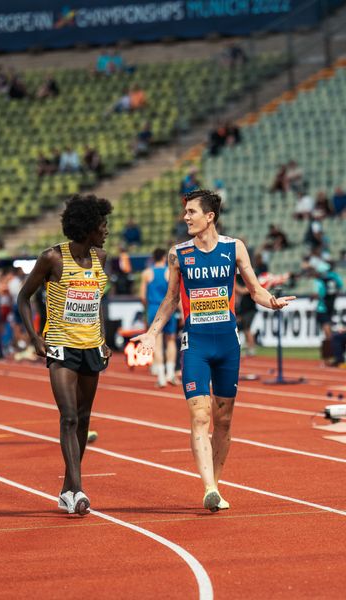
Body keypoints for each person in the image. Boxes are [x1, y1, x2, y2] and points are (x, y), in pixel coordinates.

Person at [132, 189, 295, 512]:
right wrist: (152, 333)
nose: (185, 217)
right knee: (200, 416)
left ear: (210, 217)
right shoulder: (178, 254)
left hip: (227, 344)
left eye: (192, 212)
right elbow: (170, 300)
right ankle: (208, 487)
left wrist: (271, 301)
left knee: (224, 419)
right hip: (196, 345)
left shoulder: (234, 249)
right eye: (185, 212)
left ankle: (216, 486)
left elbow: (254, 289)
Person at [18, 194, 113, 515]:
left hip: (91, 347)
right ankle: (78, 488)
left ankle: (66, 489)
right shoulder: (52, 258)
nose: (107, 231)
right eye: (102, 225)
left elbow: (98, 302)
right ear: (87, 227)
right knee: (69, 416)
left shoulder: (101, 257)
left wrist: (103, 339)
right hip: (60, 346)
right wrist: (34, 338)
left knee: (84, 418)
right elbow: (23, 298)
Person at [139, 248, 178, 388]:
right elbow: (175, 293)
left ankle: (161, 377)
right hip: (168, 308)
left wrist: (148, 308)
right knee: (171, 340)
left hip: (154, 309)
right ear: (163, 258)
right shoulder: (170, 272)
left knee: (157, 341)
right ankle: (171, 374)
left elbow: (142, 296)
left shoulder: (147, 273)